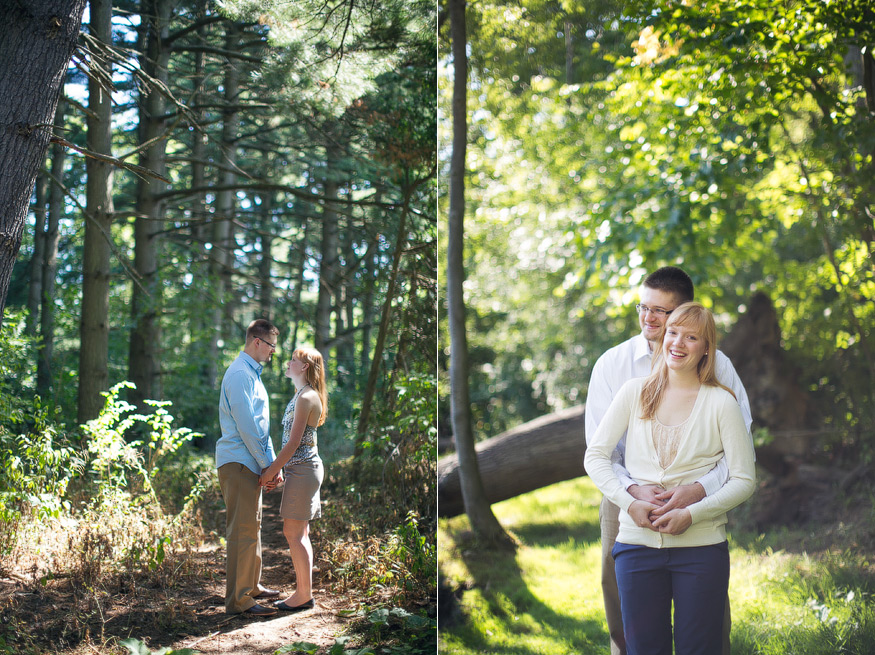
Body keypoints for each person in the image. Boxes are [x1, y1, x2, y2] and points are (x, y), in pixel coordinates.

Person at [584, 266, 752, 655]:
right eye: (644, 307)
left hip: (700, 514)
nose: (649, 318)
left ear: (685, 312)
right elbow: (599, 449)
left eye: (661, 311)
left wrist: (698, 491)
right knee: (623, 603)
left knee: (705, 623)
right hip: (625, 498)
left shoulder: (719, 374)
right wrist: (632, 493)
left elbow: (739, 454)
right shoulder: (615, 366)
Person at [216, 319, 283, 616]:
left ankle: (251, 586)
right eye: (271, 345)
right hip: (238, 462)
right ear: (257, 341)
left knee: (252, 527)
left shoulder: (252, 374)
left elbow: (261, 427)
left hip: (249, 462)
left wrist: (272, 465)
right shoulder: (240, 374)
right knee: (241, 531)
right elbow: (246, 427)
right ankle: (239, 600)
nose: (273, 351)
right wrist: (268, 465)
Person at [259, 346, 328, 612]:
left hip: (304, 470)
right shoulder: (301, 395)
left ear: (305, 367)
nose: (287, 363)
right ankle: (304, 593)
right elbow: (291, 442)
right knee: (300, 533)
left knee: (293, 533)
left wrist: (270, 471)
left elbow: (293, 443)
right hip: (300, 470)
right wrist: (280, 469)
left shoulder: (307, 397)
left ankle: (303, 595)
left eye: (293, 360)